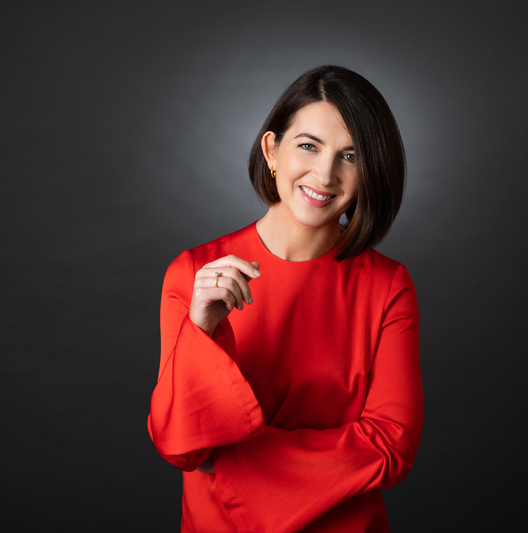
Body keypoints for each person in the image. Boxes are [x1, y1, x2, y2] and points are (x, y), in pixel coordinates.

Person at [147, 65, 423, 532]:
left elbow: (392, 447)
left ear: (369, 173)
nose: (325, 174)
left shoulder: (388, 285)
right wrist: (201, 330)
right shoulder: (194, 274)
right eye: (309, 146)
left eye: (350, 156)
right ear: (272, 150)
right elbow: (182, 447)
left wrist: (232, 463)